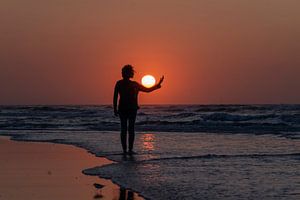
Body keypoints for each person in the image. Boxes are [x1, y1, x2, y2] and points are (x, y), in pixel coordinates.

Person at [113, 65, 164, 155]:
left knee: (129, 129)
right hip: (124, 109)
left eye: (124, 72)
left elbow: (147, 90)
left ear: (128, 73)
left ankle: (129, 150)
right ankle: (126, 150)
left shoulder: (133, 84)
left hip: (131, 109)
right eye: (122, 72)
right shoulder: (120, 83)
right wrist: (114, 109)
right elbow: (115, 96)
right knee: (125, 129)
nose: (122, 73)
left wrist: (157, 85)